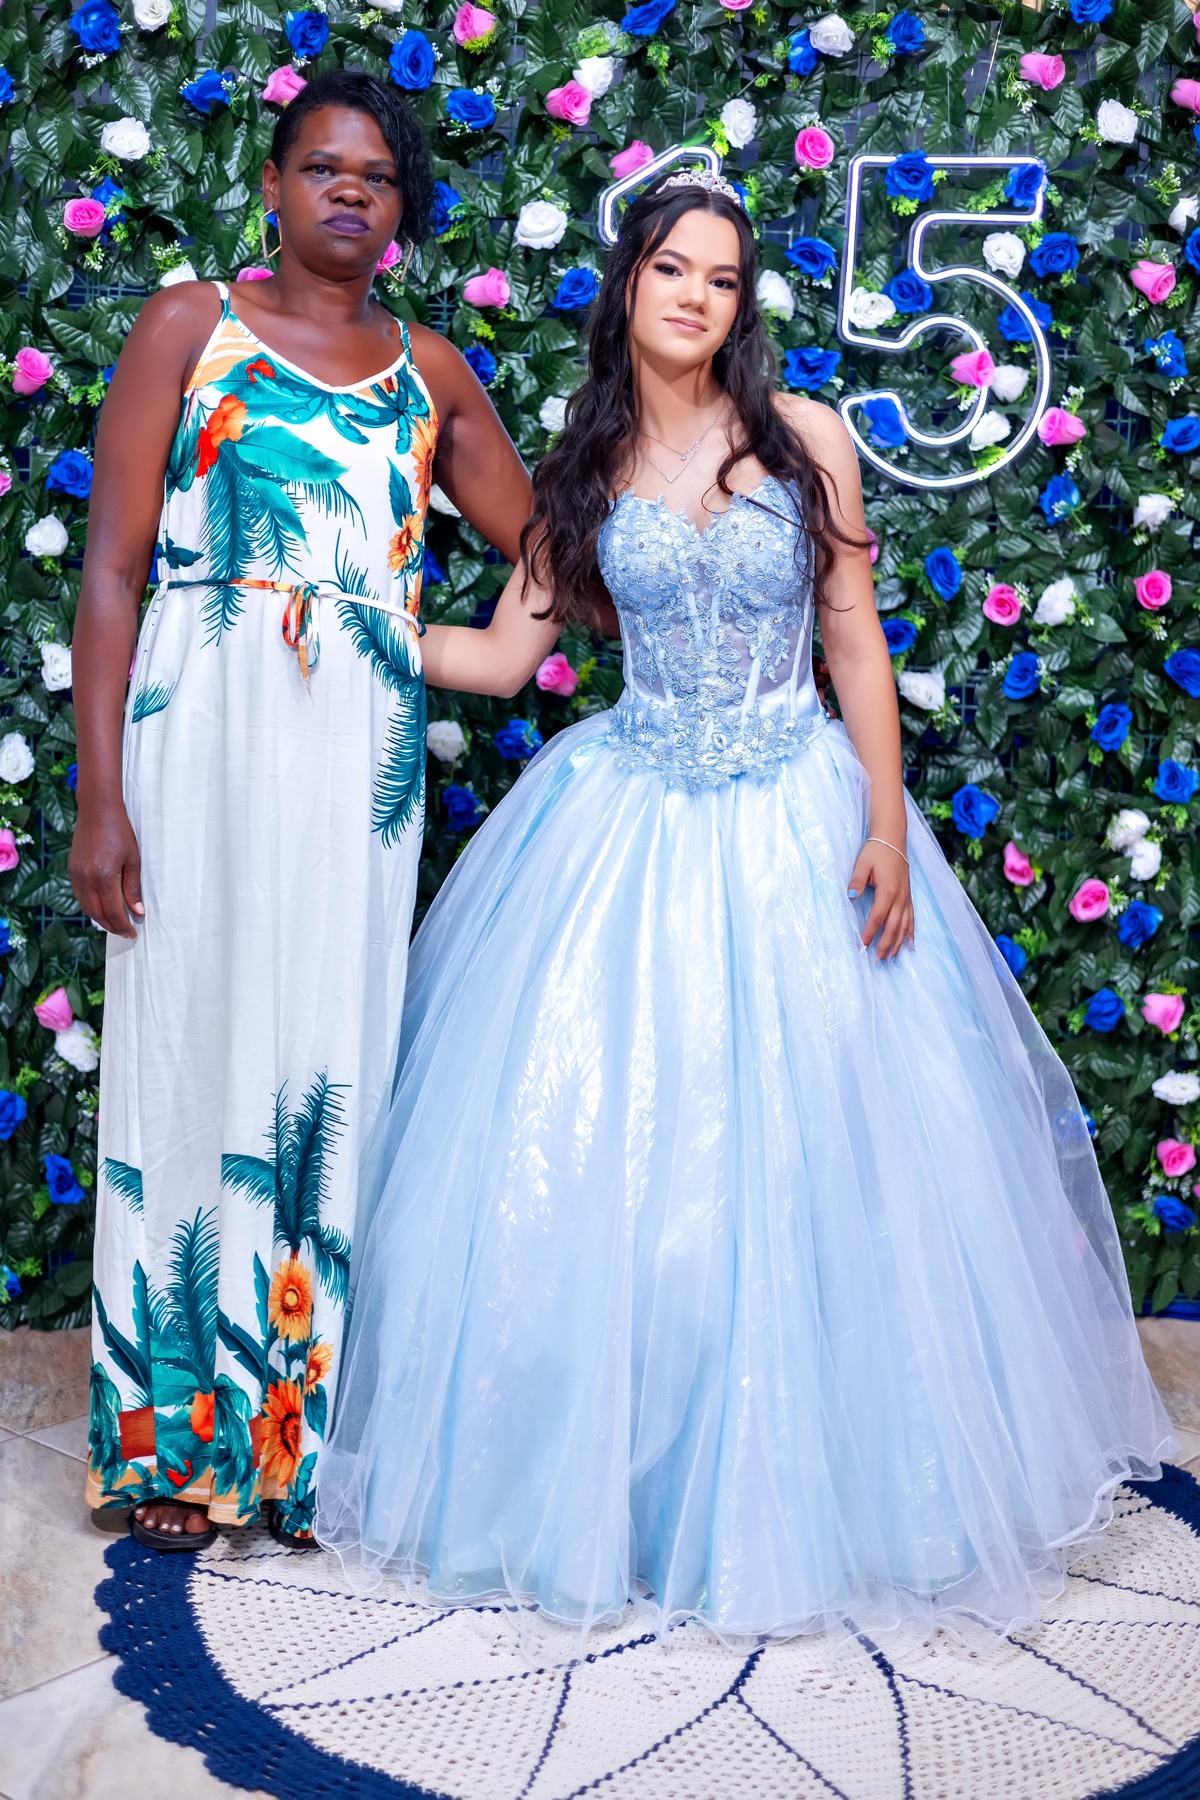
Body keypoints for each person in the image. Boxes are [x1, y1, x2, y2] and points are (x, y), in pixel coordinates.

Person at [315, 170, 1173, 1644]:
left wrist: (886, 826)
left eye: (721, 277)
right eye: (672, 269)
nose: (696, 297)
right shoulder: (584, 471)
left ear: (740, 304)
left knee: (828, 1164)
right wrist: (350, 618)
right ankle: (619, 1501)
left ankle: (837, 1500)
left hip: (797, 813)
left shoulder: (806, 441)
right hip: (631, 818)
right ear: (628, 285)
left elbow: (855, 643)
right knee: (619, 1164)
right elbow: (505, 661)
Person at [71, 70, 535, 1551]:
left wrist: (444, 641)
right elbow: (111, 572)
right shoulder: (185, 328)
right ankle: (170, 1446)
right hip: (194, 738)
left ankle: (295, 1453)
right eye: (322, 167)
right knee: (186, 1049)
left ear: (402, 212)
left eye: (377, 176)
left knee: (329, 1066)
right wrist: (99, 794)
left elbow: (554, 546)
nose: (349, 190)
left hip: (355, 760)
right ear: (272, 186)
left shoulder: (429, 372)